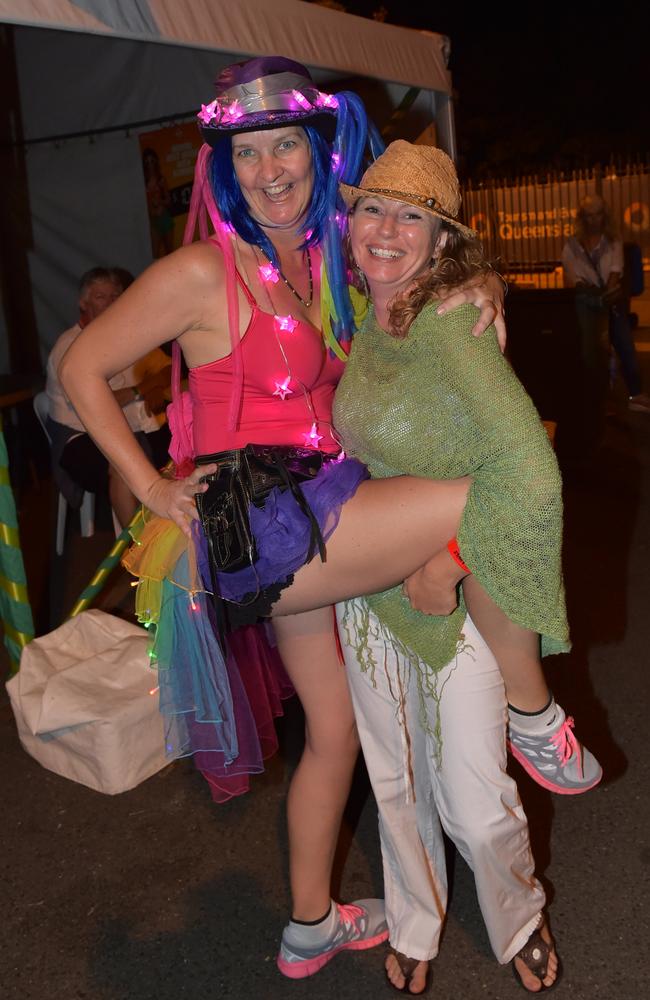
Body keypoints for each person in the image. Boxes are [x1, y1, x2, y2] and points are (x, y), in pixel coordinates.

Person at [58, 57, 508, 978]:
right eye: (248, 152)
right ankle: (533, 710)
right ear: (225, 167)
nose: (268, 169)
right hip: (255, 522)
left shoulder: (325, 252)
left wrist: (482, 286)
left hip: (303, 516)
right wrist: (149, 489)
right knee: (492, 489)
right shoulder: (198, 272)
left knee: (333, 733)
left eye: (285, 146)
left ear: (317, 151)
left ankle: (310, 923)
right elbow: (80, 369)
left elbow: (424, 251)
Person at [332, 139, 591, 992]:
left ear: (445, 244)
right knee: (394, 777)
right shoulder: (371, 315)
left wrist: (447, 559)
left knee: (478, 809)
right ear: (351, 221)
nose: (387, 228)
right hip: (368, 594)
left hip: (452, 594)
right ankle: (414, 920)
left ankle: (518, 914)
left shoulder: (451, 325)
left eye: (415, 216)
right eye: (375, 207)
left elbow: (531, 471)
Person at [46, 266, 172, 528]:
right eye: (101, 297)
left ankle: (183, 529)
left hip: (132, 422)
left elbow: (169, 366)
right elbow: (93, 403)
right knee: (124, 466)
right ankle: (139, 550)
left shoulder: (127, 334)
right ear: (83, 303)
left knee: (187, 434)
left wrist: (157, 387)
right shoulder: (69, 346)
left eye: (116, 295)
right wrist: (142, 389)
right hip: (81, 435)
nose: (112, 303)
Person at [562, 195, 650, 415]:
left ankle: (635, 394)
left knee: (624, 345)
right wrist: (591, 295)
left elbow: (614, 272)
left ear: (604, 215)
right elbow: (573, 279)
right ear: (583, 218)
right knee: (592, 355)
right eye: (589, 216)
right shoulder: (572, 245)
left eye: (598, 214)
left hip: (610, 303)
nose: (593, 220)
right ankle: (599, 399)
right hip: (586, 305)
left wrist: (603, 298)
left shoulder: (613, 241)